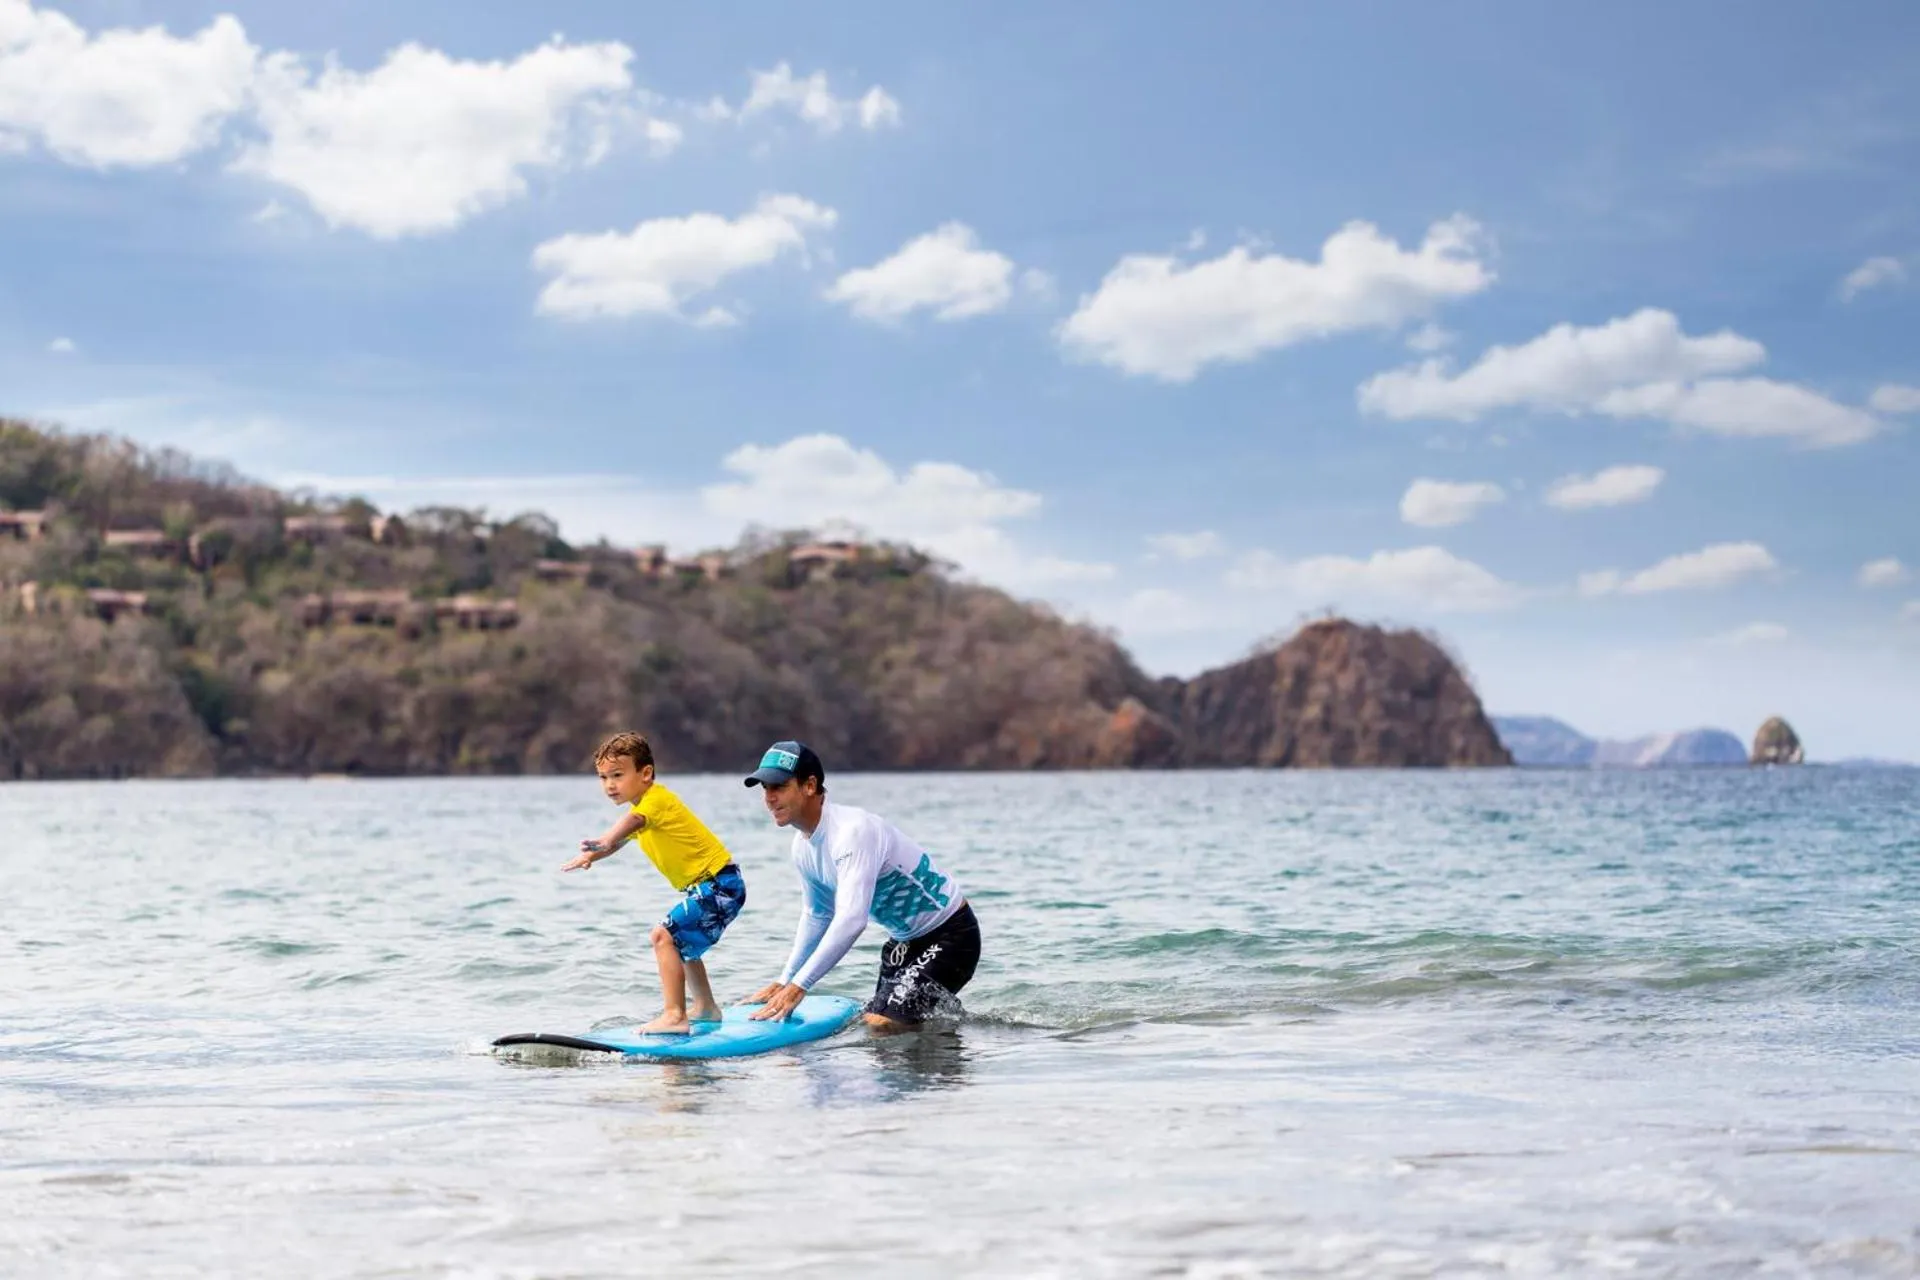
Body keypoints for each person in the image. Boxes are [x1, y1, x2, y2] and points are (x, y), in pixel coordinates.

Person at [742, 741, 981, 1031]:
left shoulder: (851, 832)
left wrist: (800, 985)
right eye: (764, 788)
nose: (769, 797)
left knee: (881, 1024)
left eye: (778, 785)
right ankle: (943, 1036)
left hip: (951, 935)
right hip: (903, 943)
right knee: (872, 1024)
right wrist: (785, 979)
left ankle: (946, 1055)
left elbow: (852, 920)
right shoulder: (802, 847)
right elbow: (818, 914)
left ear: (809, 785)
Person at [562, 731, 746, 1035]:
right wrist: (590, 858)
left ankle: (675, 1015)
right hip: (718, 885)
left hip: (718, 884)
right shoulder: (643, 810)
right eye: (603, 777)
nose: (609, 785)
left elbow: (630, 826)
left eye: (618, 775)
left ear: (645, 773)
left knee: (663, 936)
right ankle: (707, 1008)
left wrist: (607, 836)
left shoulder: (655, 801)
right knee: (682, 943)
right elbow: (620, 841)